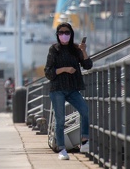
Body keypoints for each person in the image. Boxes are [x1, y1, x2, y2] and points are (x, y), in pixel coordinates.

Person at [44, 22, 92, 160]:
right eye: (61, 33)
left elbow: (88, 65)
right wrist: (65, 69)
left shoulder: (76, 49)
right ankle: (61, 149)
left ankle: (84, 140)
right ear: (57, 35)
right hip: (57, 89)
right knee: (60, 120)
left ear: (71, 34)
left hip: (73, 89)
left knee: (84, 110)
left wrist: (83, 51)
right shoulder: (54, 49)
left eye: (67, 33)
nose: (64, 35)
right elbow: (48, 72)